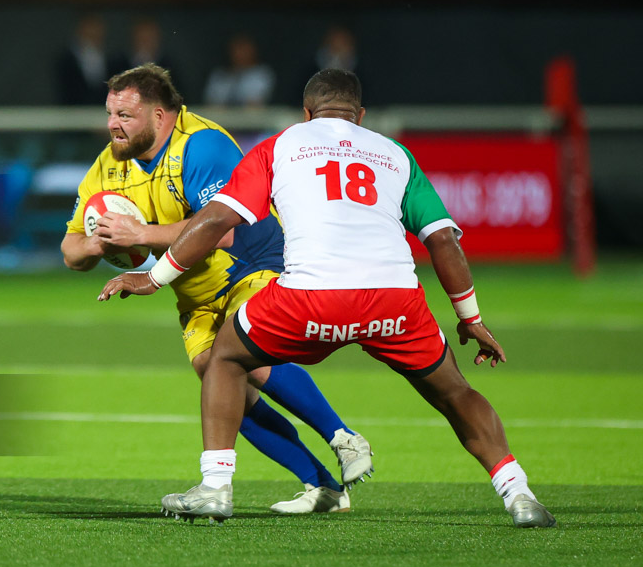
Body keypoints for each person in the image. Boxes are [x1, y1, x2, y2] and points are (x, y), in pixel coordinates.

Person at [99, 68, 556, 529]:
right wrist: (470, 318)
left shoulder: (279, 146)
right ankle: (519, 494)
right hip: (394, 302)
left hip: (310, 297)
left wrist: (153, 278)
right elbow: (442, 241)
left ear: (306, 113)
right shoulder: (395, 153)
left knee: (225, 358)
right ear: (360, 115)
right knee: (456, 392)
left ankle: (216, 487)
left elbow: (217, 220)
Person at [62, 63, 373, 514]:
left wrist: (140, 234)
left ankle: (343, 437)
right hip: (193, 288)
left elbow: (221, 232)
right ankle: (324, 486)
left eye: (125, 115)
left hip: (251, 262)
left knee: (240, 352)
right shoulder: (109, 165)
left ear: (161, 117)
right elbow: (71, 251)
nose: (113, 124)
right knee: (224, 386)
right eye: (111, 113)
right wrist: (98, 240)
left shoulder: (201, 144)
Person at [56, 13, 122, 105]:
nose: (94, 32)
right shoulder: (66, 62)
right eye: (90, 27)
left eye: (97, 28)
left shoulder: (114, 61)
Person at [202, 33, 275, 107]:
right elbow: (211, 103)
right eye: (237, 49)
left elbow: (255, 104)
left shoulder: (262, 73)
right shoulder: (219, 74)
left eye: (244, 49)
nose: (240, 53)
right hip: (219, 118)